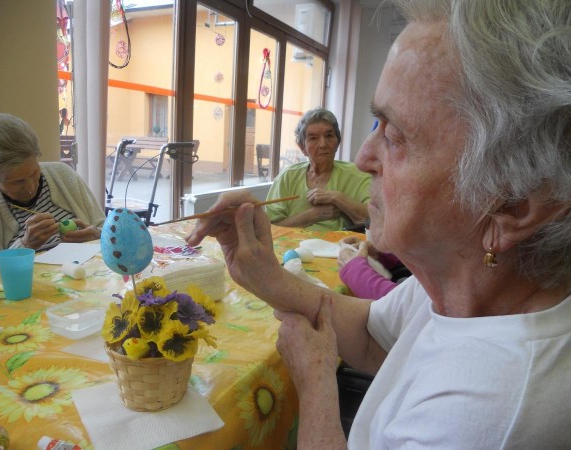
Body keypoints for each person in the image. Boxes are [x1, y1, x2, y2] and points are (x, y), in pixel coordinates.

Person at [186, 0, 571, 447]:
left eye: (394, 135)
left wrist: (315, 385)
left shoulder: (482, 418)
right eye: (376, 124)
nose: (362, 157)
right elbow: (373, 336)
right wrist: (263, 273)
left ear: (513, 204)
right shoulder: (459, 281)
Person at [0, 113, 105, 267]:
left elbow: (110, 231)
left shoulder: (63, 175)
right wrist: (24, 246)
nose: (30, 188)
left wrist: (98, 235)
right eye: (17, 181)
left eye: (34, 172)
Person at [265, 107, 371, 231]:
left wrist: (336, 198)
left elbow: (375, 219)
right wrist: (312, 215)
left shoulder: (357, 175)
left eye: (329, 136)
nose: (323, 144)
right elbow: (270, 228)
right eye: (313, 138)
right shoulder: (288, 177)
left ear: (338, 142)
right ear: (302, 147)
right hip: (291, 243)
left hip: (337, 243)